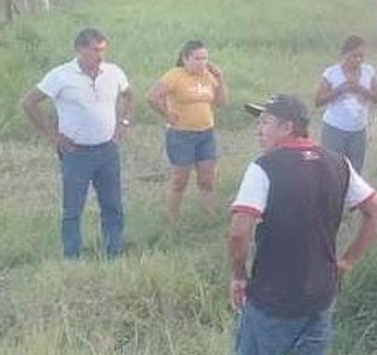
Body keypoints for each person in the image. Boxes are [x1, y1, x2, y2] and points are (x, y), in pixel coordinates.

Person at [223, 93, 377, 355]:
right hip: (320, 295)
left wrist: (238, 278)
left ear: (287, 127)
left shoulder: (263, 167)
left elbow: (239, 233)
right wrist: (347, 262)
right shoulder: (338, 163)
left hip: (272, 297)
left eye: (266, 122)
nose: (259, 130)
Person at [21, 28, 134, 258]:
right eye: (95, 50)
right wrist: (53, 135)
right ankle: (72, 256)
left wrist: (123, 122)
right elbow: (29, 102)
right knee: (73, 207)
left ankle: (114, 250)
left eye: (103, 49)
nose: (100, 55)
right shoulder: (61, 75)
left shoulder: (113, 72)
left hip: (107, 149)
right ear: (79, 49)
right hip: (76, 152)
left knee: (112, 204)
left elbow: (130, 95)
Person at [147, 40, 228, 217]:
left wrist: (220, 78)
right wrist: (167, 114)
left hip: (206, 134)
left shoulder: (208, 76)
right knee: (179, 181)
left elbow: (221, 102)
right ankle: (173, 218)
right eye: (197, 59)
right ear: (185, 59)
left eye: (205, 58)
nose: (202, 63)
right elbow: (153, 97)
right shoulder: (175, 75)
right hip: (181, 135)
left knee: (207, 180)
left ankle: (210, 214)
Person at [313, 35, 377, 172]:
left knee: (355, 172)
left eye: (361, 56)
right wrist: (339, 90)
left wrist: (362, 90)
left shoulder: (368, 71)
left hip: (358, 131)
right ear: (344, 54)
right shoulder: (332, 73)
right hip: (334, 130)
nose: (358, 60)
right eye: (354, 56)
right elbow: (318, 101)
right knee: (333, 170)